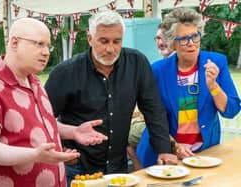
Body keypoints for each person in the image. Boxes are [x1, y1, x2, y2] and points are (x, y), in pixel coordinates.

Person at [0, 18, 107, 187]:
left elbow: (36, 125)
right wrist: (35, 155)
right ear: (14, 43)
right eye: (39, 44)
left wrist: (74, 132)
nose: (46, 52)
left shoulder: (34, 82)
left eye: (48, 46)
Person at [44, 10, 178, 186]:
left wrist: (164, 150)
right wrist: (60, 149)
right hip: (77, 165)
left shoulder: (137, 63)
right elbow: (41, 119)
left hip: (117, 165)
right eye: (104, 41)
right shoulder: (65, 73)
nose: (110, 49)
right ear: (90, 38)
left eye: (117, 41)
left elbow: (153, 109)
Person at [138, 7, 240, 162]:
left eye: (195, 36)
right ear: (173, 43)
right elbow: (153, 116)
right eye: (184, 39)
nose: (191, 44)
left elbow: (231, 111)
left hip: (203, 153)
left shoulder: (217, 62)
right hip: (165, 153)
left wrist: (213, 86)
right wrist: (174, 146)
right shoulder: (158, 70)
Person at [127, 23, 175, 171]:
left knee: (123, 135)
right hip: (154, 122)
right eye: (158, 38)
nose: (160, 42)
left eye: (165, 38)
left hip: (166, 126)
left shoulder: (169, 67)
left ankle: (139, 170)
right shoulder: (157, 67)